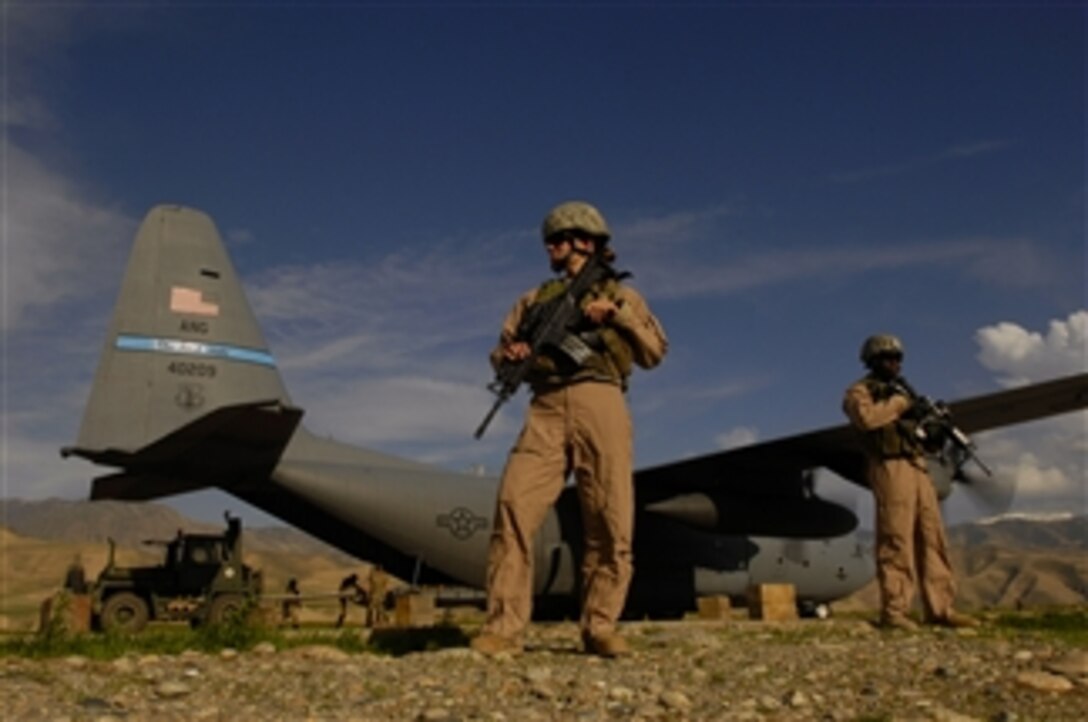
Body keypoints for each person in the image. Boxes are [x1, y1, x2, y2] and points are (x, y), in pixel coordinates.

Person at [471, 201, 668, 657]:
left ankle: (600, 626)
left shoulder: (622, 295)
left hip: (601, 399)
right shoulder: (533, 300)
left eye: (559, 240)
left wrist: (615, 316)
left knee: (610, 517)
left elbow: (655, 351)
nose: (551, 248)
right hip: (544, 407)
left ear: (586, 241)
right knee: (514, 508)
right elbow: (499, 353)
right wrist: (512, 356)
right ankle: (503, 628)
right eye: (550, 241)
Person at [842, 334, 979, 630]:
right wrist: (901, 404)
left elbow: (923, 440)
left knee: (933, 538)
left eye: (898, 359)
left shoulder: (904, 395)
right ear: (873, 361)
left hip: (918, 465)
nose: (895, 364)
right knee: (896, 537)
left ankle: (941, 609)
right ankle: (895, 611)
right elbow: (866, 419)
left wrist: (935, 433)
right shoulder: (860, 391)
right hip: (890, 465)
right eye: (888, 358)